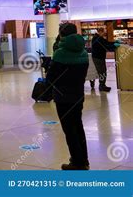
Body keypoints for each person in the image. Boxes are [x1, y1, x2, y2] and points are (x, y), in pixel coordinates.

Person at [46, 23, 89, 170]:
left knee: (69, 130)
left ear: (62, 34)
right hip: (78, 95)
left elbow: (51, 78)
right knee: (78, 126)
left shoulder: (59, 53)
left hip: (63, 98)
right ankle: (84, 159)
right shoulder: (83, 52)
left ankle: (77, 162)